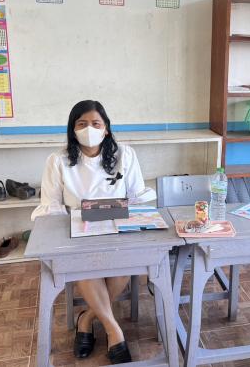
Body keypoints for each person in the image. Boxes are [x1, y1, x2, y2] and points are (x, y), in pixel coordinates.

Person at [31, 100, 156, 364]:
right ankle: (114, 331)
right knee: (86, 266)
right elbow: (51, 205)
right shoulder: (58, 161)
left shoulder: (125, 155)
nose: (89, 129)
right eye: (82, 123)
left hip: (117, 228)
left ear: (106, 128)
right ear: (73, 129)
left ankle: (86, 318)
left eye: (96, 123)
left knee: (124, 265)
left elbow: (136, 195)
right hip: (79, 231)